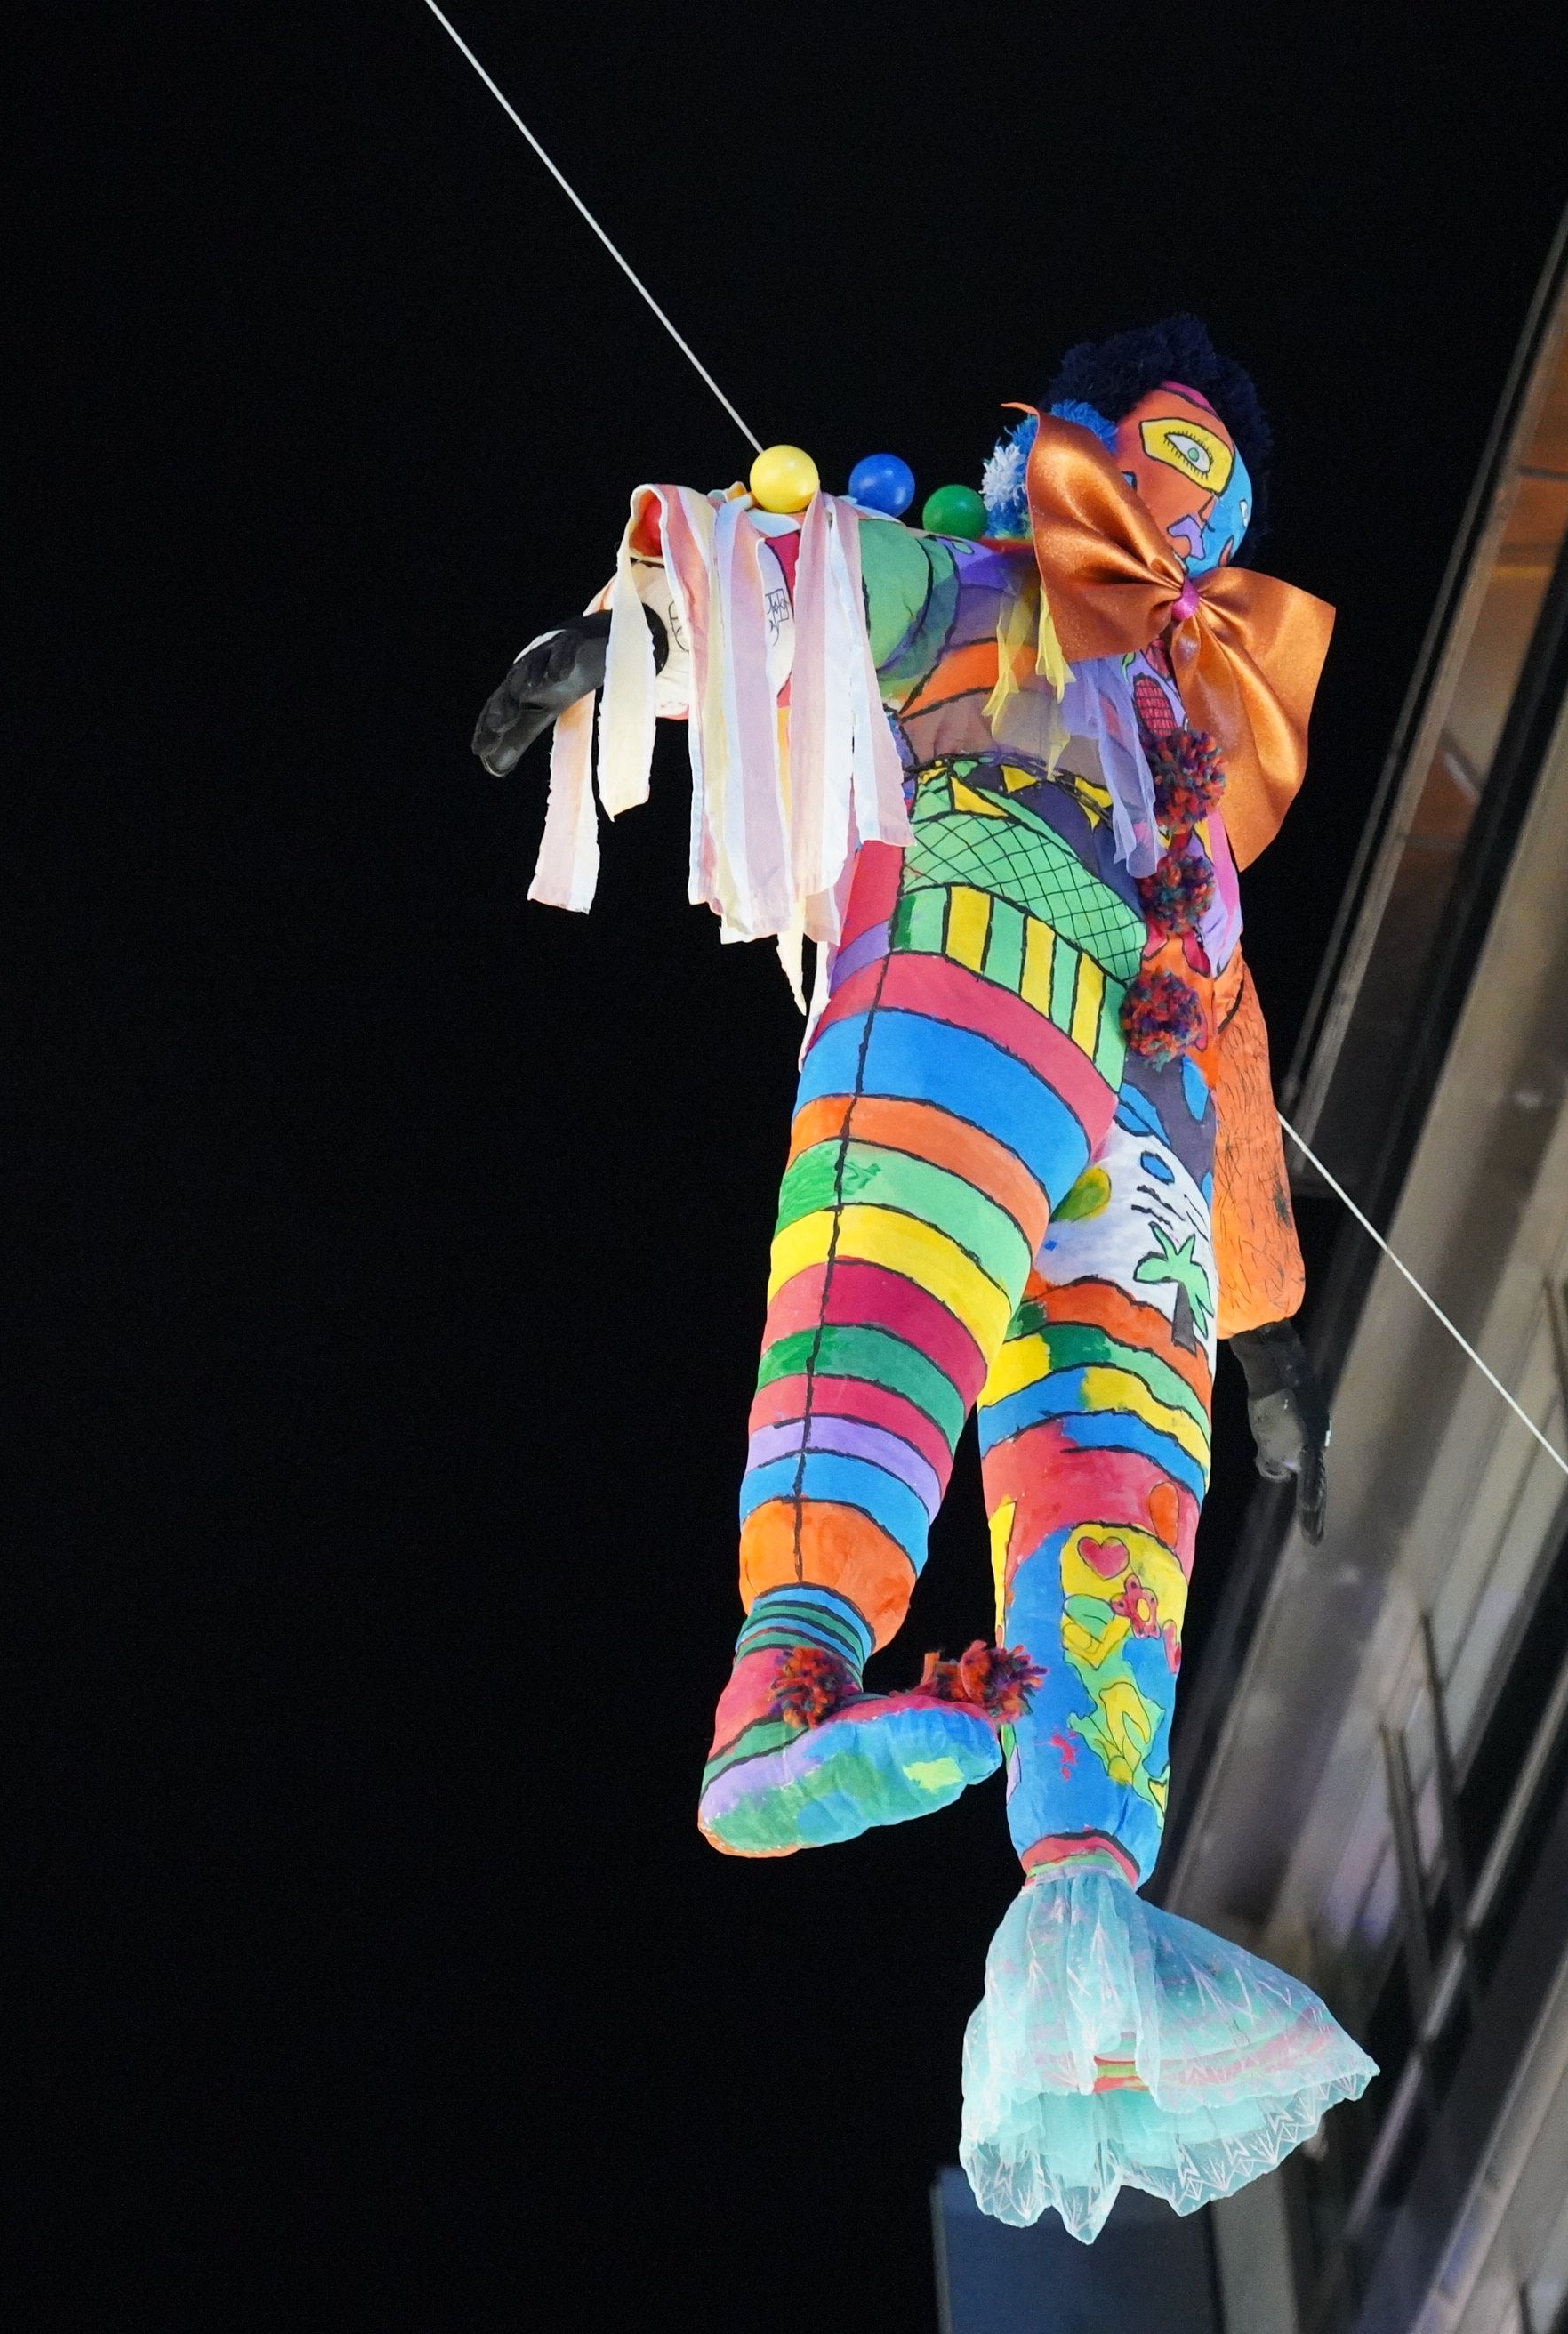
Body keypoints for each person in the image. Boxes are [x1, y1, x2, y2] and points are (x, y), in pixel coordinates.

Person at [475, 318, 1366, 2240]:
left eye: (1214, 487)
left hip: (1140, 1099)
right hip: (972, 932)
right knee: (884, 1298)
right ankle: (783, 1692)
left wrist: (1269, 1325)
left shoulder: (1196, 755)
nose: (1182, 504)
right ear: (1089, 449)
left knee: (1127, 1488)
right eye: (1162, 457)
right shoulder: (984, 587)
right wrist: (633, 640)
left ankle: (1086, 1881)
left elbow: (1231, 1053)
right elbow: (803, 584)